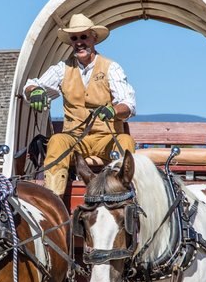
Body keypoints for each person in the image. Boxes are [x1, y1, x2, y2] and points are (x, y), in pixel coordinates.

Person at [23, 13, 137, 195]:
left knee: (125, 141)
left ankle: (124, 194)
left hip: (106, 138)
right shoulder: (62, 69)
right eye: (74, 38)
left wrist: (113, 111)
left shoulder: (110, 67)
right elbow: (32, 84)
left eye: (83, 37)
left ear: (94, 39)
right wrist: (35, 92)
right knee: (57, 141)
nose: (79, 42)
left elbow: (128, 104)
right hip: (75, 138)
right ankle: (54, 199)